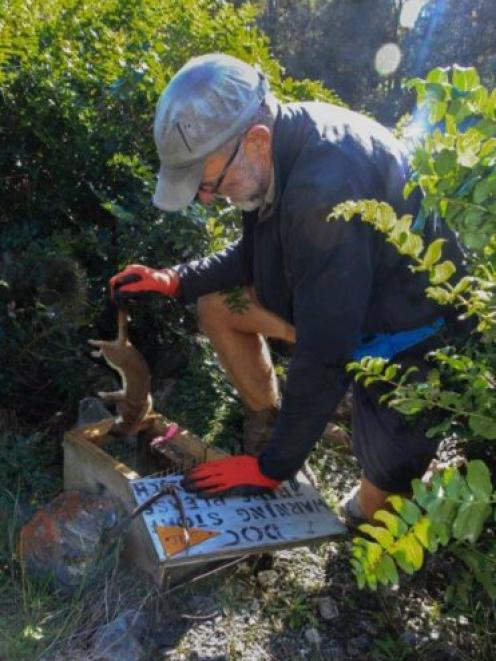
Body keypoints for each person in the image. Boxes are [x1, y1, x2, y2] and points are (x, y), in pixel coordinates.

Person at [110, 53, 468, 522]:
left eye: (207, 182)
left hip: (411, 334)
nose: (204, 196)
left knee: (375, 504)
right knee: (219, 304)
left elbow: (325, 351)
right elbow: (257, 253)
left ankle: (375, 499)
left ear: (254, 142)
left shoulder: (324, 190)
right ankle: (274, 422)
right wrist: (177, 279)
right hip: (340, 302)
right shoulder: (275, 149)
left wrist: (271, 468)